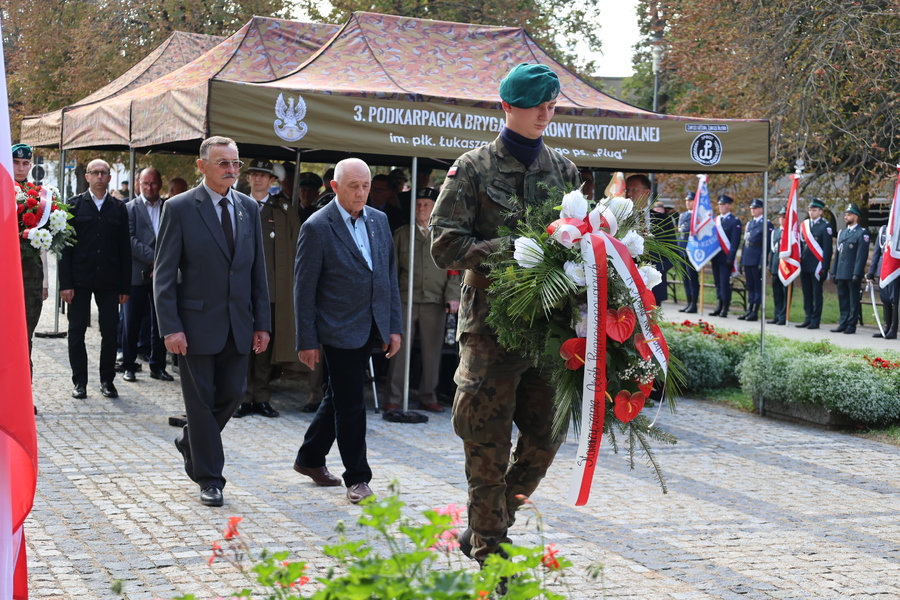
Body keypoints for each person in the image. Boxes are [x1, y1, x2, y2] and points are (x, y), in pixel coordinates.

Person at [429, 63, 580, 563]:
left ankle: (488, 522)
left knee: (547, 437)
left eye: (552, 103)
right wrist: (512, 251)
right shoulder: (472, 169)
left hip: (548, 329)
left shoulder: (565, 172)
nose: (545, 111)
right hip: (490, 330)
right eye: (536, 102)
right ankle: (492, 551)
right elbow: (444, 243)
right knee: (485, 444)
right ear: (507, 107)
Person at [154, 136, 270, 507]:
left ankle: (191, 441)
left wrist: (262, 323)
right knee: (200, 403)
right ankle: (209, 477)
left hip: (238, 324)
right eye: (223, 163)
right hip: (194, 325)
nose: (231, 170)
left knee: (233, 395)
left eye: (235, 163)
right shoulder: (180, 208)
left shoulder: (248, 208)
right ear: (201, 166)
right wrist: (170, 326)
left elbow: (257, 272)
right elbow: (164, 273)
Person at [292, 157, 402, 505]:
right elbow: (303, 290)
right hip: (337, 327)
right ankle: (358, 478)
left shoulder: (379, 220)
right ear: (335, 187)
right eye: (353, 186)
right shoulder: (317, 227)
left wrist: (393, 326)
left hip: (372, 321)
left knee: (339, 395)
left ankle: (309, 458)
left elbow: (388, 278)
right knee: (353, 401)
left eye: (366, 185)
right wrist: (306, 339)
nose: (361, 192)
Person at [233, 158, 301, 419]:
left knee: (263, 348)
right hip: (240, 289)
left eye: (264, 175)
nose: (259, 179)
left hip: (272, 290)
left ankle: (261, 397)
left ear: (272, 180)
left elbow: (295, 251)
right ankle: (242, 396)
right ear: (248, 178)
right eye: (254, 175)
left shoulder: (283, 210)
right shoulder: (235, 206)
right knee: (241, 345)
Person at [59, 159, 132, 400]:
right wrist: (65, 284)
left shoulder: (119, 208)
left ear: (109, 178)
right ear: (88, 177)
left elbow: (125, 249)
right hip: (80, 279)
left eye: (104, 173)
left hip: (109, 280)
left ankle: (107, 380)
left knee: (110, 331)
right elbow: (65, 248)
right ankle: (79, 381)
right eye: (95, 173)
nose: (100, 176)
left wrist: (125, 285)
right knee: (76, 330)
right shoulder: (74, 205)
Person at [386, 187, 460, 413]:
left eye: (426, 204)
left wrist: (452, 296)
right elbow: (391, 270)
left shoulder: (443, 235)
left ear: (434, 207)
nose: (421, 208)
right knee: (398, 351)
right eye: (418, 204)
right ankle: (394, 398)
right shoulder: (402, 234)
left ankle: (428, 395)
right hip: (405, 300)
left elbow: (453, 269)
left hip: (435, 301)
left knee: (432, 352)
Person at [121, 168, 174, 383]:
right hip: (136, 275)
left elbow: (173, 238)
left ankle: (158, 366)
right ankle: (129, 365)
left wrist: (161, 263)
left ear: (160, 184)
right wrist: (155, 258)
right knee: (131, 323)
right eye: (145, 183)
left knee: (161, 323)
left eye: (153, 183)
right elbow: (130, 240)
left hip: (162, 275)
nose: (149, 187)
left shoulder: (169, 208)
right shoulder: (129, 209)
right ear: (138, 184)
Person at [12, 143, 49, 375]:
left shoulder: (40, 195)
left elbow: (43, 242)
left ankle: (25, 395)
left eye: (25, 163)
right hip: (7, 274)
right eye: (16, 162)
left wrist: (45, 282)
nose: (21, 168)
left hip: (31, 278)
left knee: (26, 336)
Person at [830, 204, 869, 334]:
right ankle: (843, 322)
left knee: (853, 299)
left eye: (849, 214)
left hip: (852, 272)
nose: (846, 217)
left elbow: (861, 256)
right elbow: (838, 254)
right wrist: (834, 271)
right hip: (841, 271)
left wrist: (857, 273)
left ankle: (852, 324)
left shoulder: (862, 233)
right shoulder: (842, 232)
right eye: (846, 214)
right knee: (843, 298)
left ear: (856, 217)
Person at [796, 198, 833, 330]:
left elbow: (828, 249)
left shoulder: (825, 226)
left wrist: (825, 267)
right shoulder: (804, 225)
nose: (811, 212)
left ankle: (815, 320)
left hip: (817, 265)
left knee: (817, 294)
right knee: (807, 293)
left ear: (821, 212)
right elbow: (801, 245)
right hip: (805, 264)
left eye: (814, 210)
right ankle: (808, 317)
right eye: (810, 210)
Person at [737, 198, 773, 322]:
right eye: (752, 208)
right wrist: (742, 260)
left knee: (757, 286)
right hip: (748, 256)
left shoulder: (766, 224)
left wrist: (762, 261)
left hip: (757, 257)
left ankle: (755, 311)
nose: (753, 210)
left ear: (762, 209)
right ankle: (749, 308)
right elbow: (745, 242)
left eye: (755, 208)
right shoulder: (750, 223)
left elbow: (766, 245)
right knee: (750, 286)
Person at [708, 195, 742, 318]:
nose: (721, 206)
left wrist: (731, 257)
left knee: (724, 283)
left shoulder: (734, 221)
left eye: (724, 204)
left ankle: (725, 308)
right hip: (715, 257)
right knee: (717, 283)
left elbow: (735, 241)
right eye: (720, 204)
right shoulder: (715, 221)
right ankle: (719, 305)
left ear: (729, 206)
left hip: (726, 258)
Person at [867, 223, 899, 339]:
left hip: (895, 269)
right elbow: (877, 252)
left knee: (894, 299)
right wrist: (871, 271)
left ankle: (893, 329)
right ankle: (886, 327)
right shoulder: (884, 229)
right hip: (883, 268)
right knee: (885, 299)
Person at [648, 200, 675, 304]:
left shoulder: (664, 220)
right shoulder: (629, 217)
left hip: (656, 274)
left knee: (654, 312)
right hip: (632, 278)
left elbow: (672, 251)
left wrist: (660, 269)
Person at [677, 192, 699, 313]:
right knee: (685, 277)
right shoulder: (683, 215)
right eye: (686, 201)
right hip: (682, 250)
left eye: (690, 201)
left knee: (692, 277)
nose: (688, 203)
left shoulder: (697, 216)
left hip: (691, 250)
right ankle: (688, 302)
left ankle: (694, 303)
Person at [767, 207, 788, 325]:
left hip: (786, 267)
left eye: (784, 216)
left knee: (785, 291)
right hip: (776, 265)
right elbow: (772, 250)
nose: (781, 219)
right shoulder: (775, 232)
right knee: (777, 292)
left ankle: (784, 315)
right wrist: (770, 266)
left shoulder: (790, 232)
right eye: (780, 216)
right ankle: (777, 314)